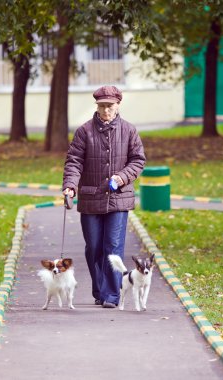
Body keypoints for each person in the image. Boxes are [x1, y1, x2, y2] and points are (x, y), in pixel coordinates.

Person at [62, 85, 146, 308]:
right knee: (94, 247)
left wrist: (121, 178)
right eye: (102, 106)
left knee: (113, 246)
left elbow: (138, 160)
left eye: (110, 106)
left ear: (118, 105)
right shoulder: (84, 131)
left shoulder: (129, 130)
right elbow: (74, 161)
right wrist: (70, 186)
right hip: (90, 198)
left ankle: (111, 295)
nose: (106, 110)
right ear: (97, 106)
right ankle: (99, 289)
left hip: (119, 199)